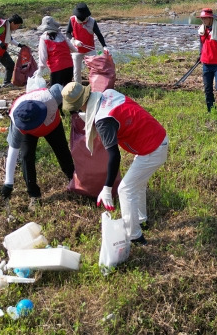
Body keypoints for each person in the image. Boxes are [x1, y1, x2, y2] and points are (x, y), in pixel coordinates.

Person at [61, 82, 169, 246]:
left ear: (80, 104)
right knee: (136, 184)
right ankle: (141, 220)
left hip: (152, 148)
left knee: (125, 189)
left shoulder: (103, 121)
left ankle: (135, 236)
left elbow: (114, 156)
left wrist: (107, 188)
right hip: (156, 136)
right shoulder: (109, 93)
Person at [1, 84, 75, 209]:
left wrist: (76, 110)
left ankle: (74, 180)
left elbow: (61, 88)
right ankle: (34, 195)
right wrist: (8, 182)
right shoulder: (18, 122)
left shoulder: (50, 98)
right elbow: (13, 152)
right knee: (26, 157)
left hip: (53, 126)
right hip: (28, 133)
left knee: (62, 150)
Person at [65, 3, 108, 83]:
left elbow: (99, 34)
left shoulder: (92, 21)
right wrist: (74, 40)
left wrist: (104, 46)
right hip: (76, 50)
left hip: (90, 50)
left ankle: (94, 85)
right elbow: (67, 33)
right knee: (76, 70)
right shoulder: (72, 20)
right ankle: (78, 87)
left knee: (94, 69)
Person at [0, 14, 24, 89]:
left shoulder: (8, 28)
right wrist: (0, 43)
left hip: (1, 51)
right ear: (12, 23)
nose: (17, 28)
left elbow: (10, 39)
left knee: (10, 65)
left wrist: (19, 45)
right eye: (17, 26)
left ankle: (7, 83)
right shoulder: (2, 27)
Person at [37, 16, 78, 87]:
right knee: (67, 90)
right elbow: (73, 49)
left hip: (56, 67)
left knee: (55, 91)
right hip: (69, 65)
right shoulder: (61, 35)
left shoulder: (44, 38)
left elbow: (43, 56)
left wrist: (40, 70)